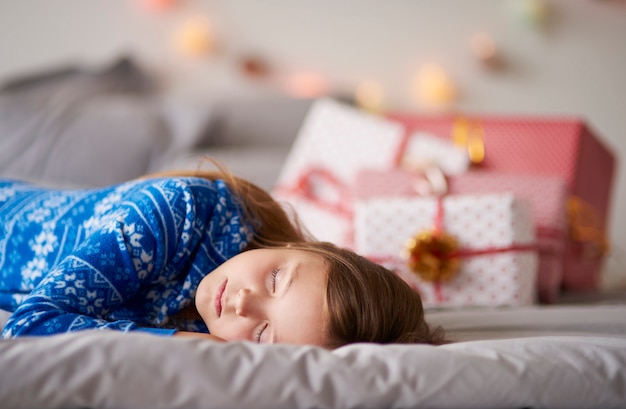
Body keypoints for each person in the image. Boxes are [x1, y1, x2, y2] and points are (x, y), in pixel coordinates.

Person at [0, 167, 447, 348]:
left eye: (264, 335)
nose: (242, 304)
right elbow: (29, 326)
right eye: (275, 281)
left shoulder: (222, 326)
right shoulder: (180, 211)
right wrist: (190, 344)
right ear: (300, 248)